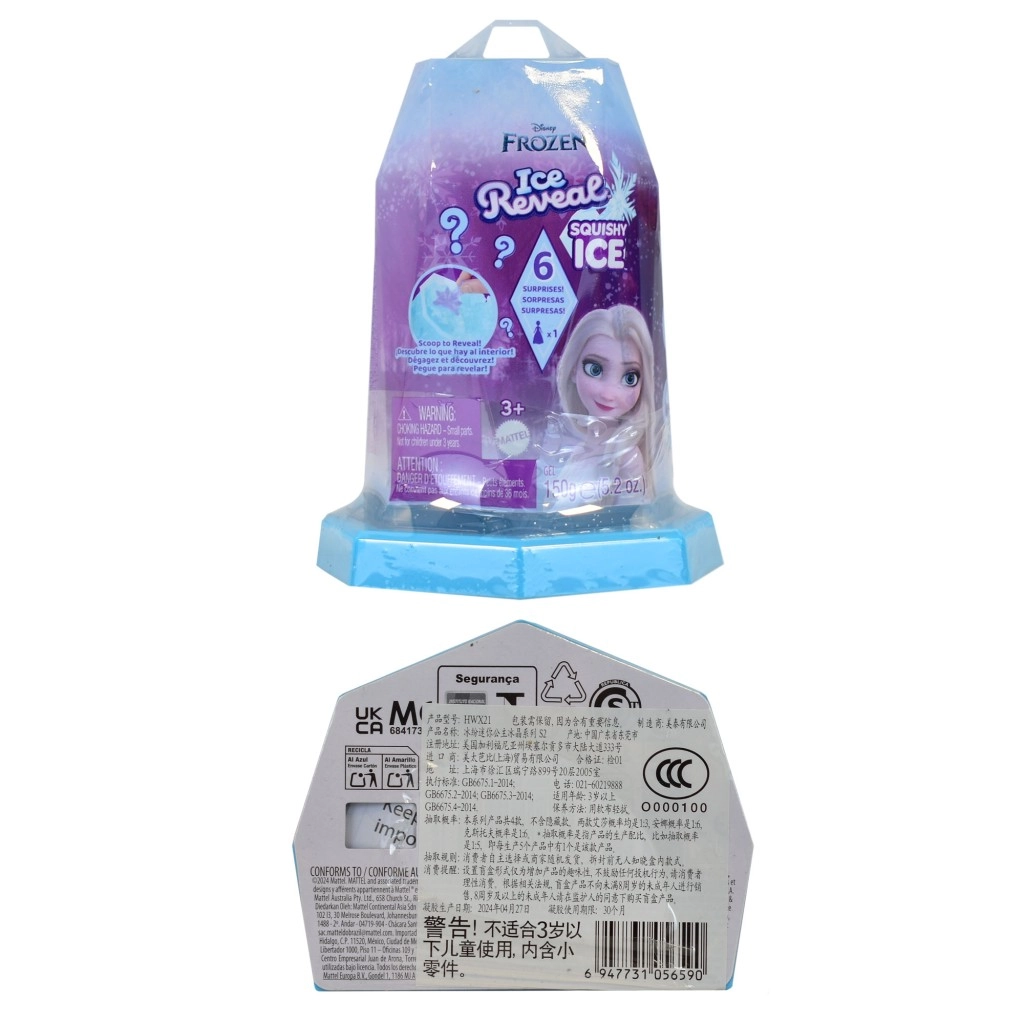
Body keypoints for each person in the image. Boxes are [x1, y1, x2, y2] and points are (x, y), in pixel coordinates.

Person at [542, 304, 660, 508]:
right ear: (573, 369)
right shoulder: (578, 449)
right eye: (594, 369)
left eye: (629, 378)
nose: (608, 394)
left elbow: (630, 515)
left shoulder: (626, 456)